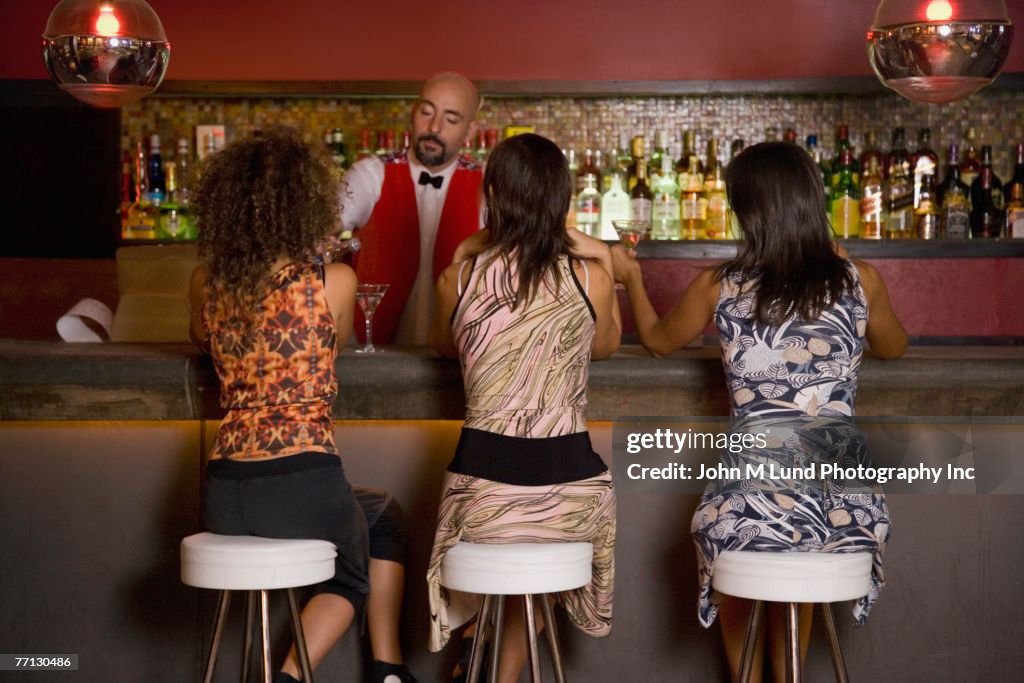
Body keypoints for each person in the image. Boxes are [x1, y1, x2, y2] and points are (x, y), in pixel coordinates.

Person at [612, 141, 908, 683]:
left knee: (739, 542)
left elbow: (657, 341)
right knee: (789, 554)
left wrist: (630, 277)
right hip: (844, 506)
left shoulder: (719, 285)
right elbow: (894, 347)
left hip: (752, 491)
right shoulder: (860, 280)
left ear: (747, 211)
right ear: (812, 202)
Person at [187, 126, 417, 683]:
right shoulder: (332, 280)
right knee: (350, 579)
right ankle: (288, 678)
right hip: (302, 481)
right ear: (308, 204)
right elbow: (331, 341)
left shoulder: (205, 283)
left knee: (379, 511)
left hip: (224, 489)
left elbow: (200, 338)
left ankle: (386, 670)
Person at [427, 133, 621, 683]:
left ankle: (479, 642)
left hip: (480, 495)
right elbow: (603, 346)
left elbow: (444, 345)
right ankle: (493, 660)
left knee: (510, 548)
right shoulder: (591, 278)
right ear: (562, 199)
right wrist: (601, 254)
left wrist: (472, 248)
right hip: (570, 494)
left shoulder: (458, 278)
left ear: (492, 196)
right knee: (537, 565)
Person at [341, 71, 483, 346]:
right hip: (375, 354)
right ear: (413, 113)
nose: (435, 127)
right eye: (426, 112)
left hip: (458, 359)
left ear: (470, 131)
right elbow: (325, 225)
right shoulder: (370, 175)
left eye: (451, 119)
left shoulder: (487, 183)